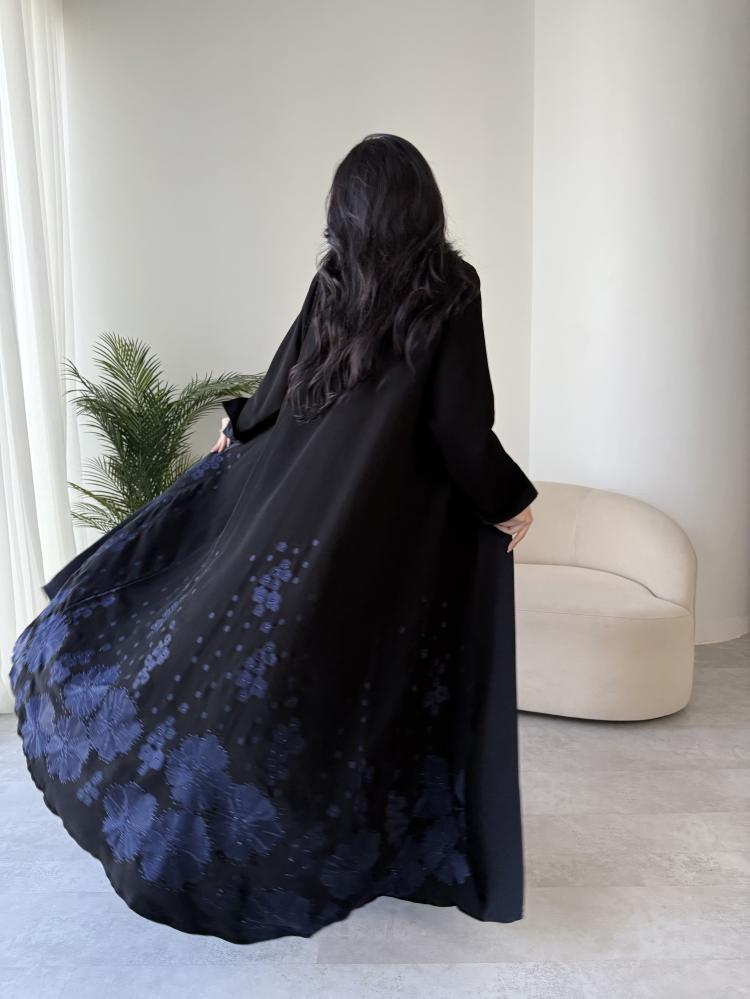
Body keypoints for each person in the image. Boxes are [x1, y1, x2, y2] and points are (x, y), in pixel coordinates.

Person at [10, 133, 537, 944]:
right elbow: (458, 426)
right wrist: (510, 501)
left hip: (304, 505)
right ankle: (365, 837)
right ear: (424, 205)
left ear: (347, 213)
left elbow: (285, 377)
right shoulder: (449, 288)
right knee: (366, 680)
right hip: (382, 531)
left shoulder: (337, 280)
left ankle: (265, 832)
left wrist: (242, 427)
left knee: (272, 672)